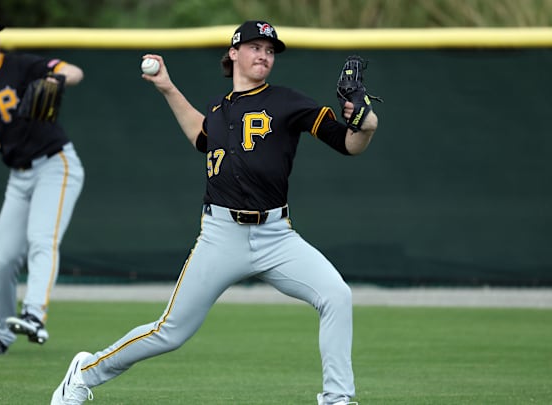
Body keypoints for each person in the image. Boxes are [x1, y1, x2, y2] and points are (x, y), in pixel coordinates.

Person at [51, 20, 377, 405]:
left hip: (277, 235)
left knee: (336, 295)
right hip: (221, 235)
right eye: (256, 47)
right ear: (234, 53)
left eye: (271, 51)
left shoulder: (288, 101)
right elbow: (200, 135)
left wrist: (366, 123)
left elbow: (349, 143)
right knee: (170, 332)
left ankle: (337, 398)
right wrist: (168, 87)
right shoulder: (220, 112)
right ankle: (84, 373)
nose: (264, 55)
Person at [0, 12, 86, 357]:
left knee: (41, 239)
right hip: (19, 176)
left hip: (56, 165)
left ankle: (34, 315)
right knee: (4, 261)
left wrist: (58, 80)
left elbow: (75, 72)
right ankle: (0, 335)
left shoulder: (22, 66)